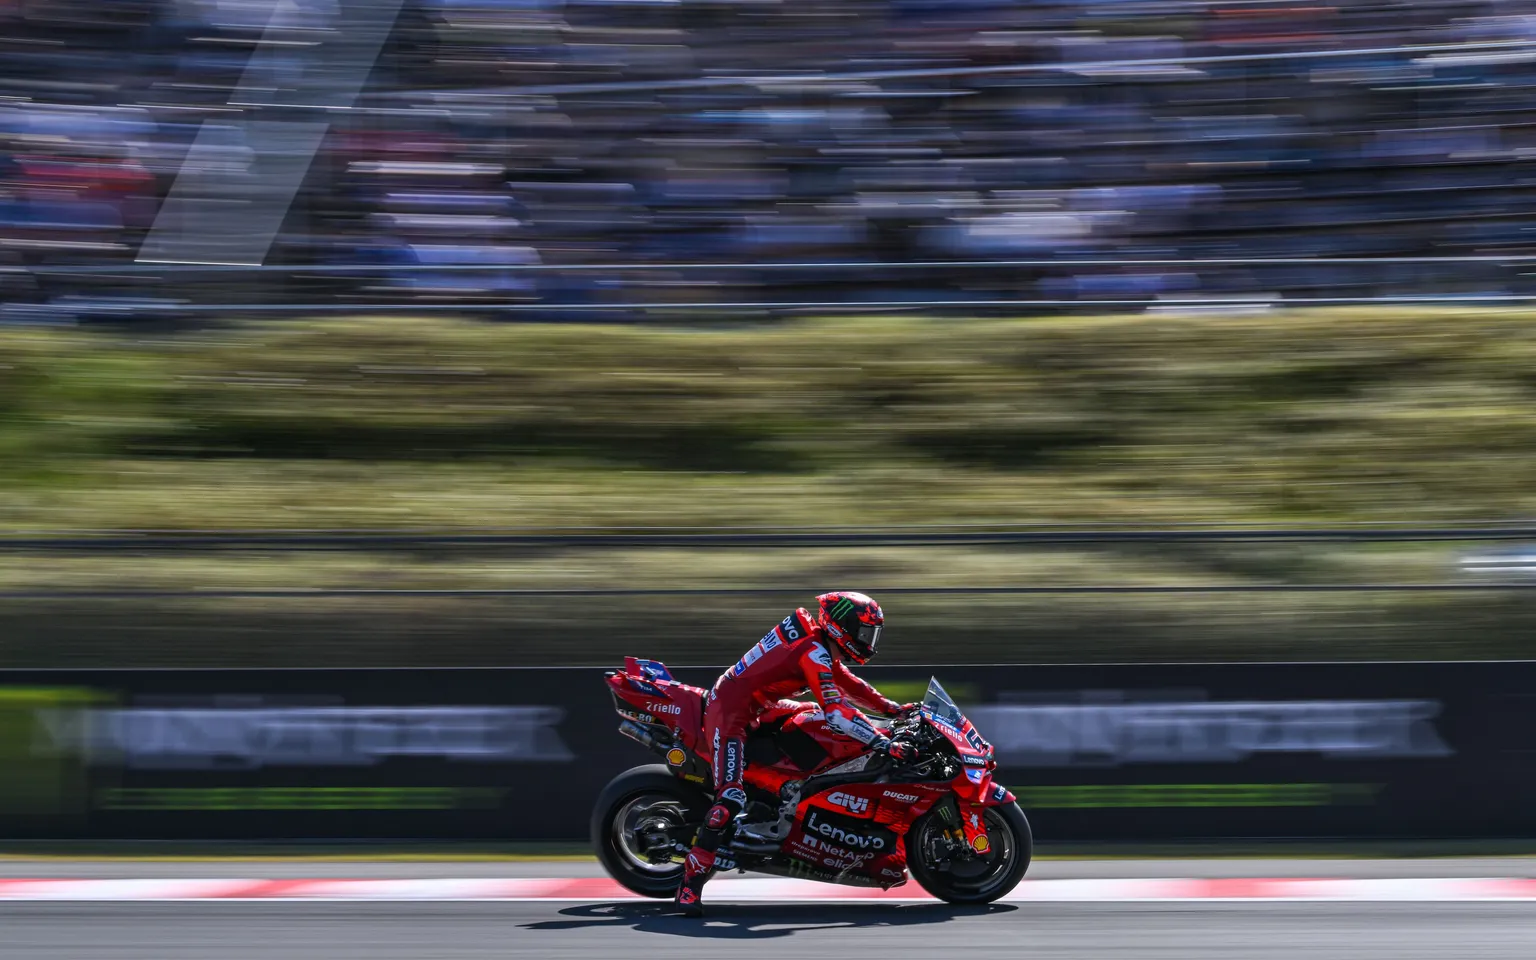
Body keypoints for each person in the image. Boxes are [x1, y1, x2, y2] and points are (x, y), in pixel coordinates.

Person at [674, 590, 914, 916]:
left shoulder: (820, 647)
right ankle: (689, 885)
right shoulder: (813, 652)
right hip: (729, 715)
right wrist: (882, 742)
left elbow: (848, 684)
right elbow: (837, 712)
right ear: (842, 627)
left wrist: (893, 709)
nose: (868, 641)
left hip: (762, 707)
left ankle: (786, 802)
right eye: (864, 633)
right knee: (729, 799)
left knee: (811, 722)